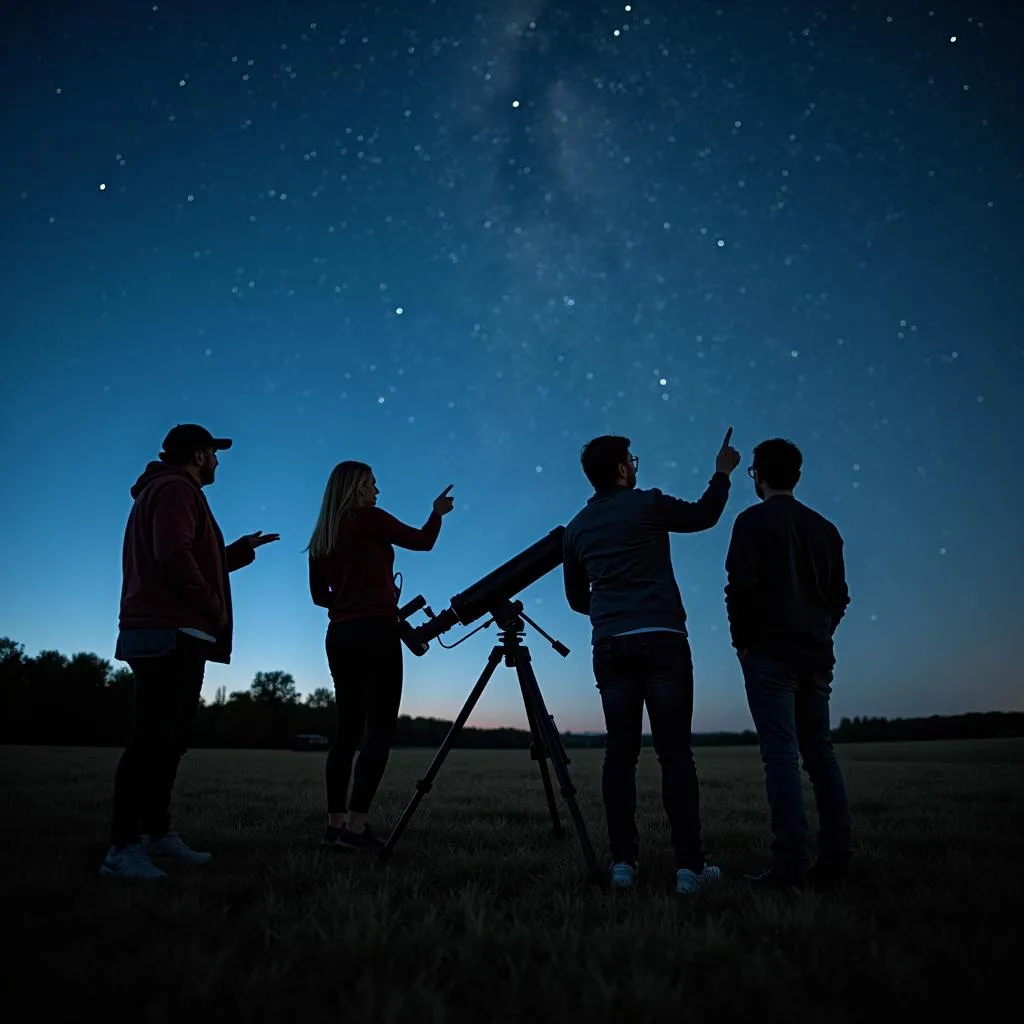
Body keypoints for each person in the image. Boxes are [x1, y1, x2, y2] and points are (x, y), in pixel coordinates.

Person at [562, 429, 741, 893]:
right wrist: (721, 473)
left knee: (619, 756)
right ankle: (689, 868)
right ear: (622, 469)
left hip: (611, 646)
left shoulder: (576, 528)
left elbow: (576, 598)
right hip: (662, 639)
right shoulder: (649, 504)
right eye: (632, 459)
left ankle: (623, 864)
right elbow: (705, 516)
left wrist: (610, 607)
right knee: (675, 754)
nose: (636, 464)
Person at [101, 424, 279, 880]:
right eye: (215, 454)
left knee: (169, 741)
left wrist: (235, 552)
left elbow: (191, 554)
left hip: (170, 630)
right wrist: (213, 605)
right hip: (170, 631)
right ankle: (122, 849)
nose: (218, 462)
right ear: (199, 455)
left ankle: (156, 835)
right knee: (151, 741)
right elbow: (173, 556)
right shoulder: (178, 490)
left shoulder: (163, 492)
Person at [724, 438, 854, 890]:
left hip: (770, 657)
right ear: (796, 475)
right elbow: (839, 598)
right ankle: (838, 856)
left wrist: (742, 645)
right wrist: (822, 632)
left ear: (757, 474)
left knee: (780, 757)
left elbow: (739, 589)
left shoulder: (752, 522)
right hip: (816, 657)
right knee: (820, 754)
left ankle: (789, 866)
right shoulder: (825, 528)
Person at [307, 462, 455, 850]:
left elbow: (318, 596)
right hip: (376, 630)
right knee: (380, 729)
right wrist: (436, 514)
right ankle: (356, 830)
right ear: (357, 488)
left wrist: (348, 597)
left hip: (338, 635)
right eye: (372, 483)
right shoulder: (369, 519)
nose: (377, 490)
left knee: (348, 732)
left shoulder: (322, 535)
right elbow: (423, 541)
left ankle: (333, 827)